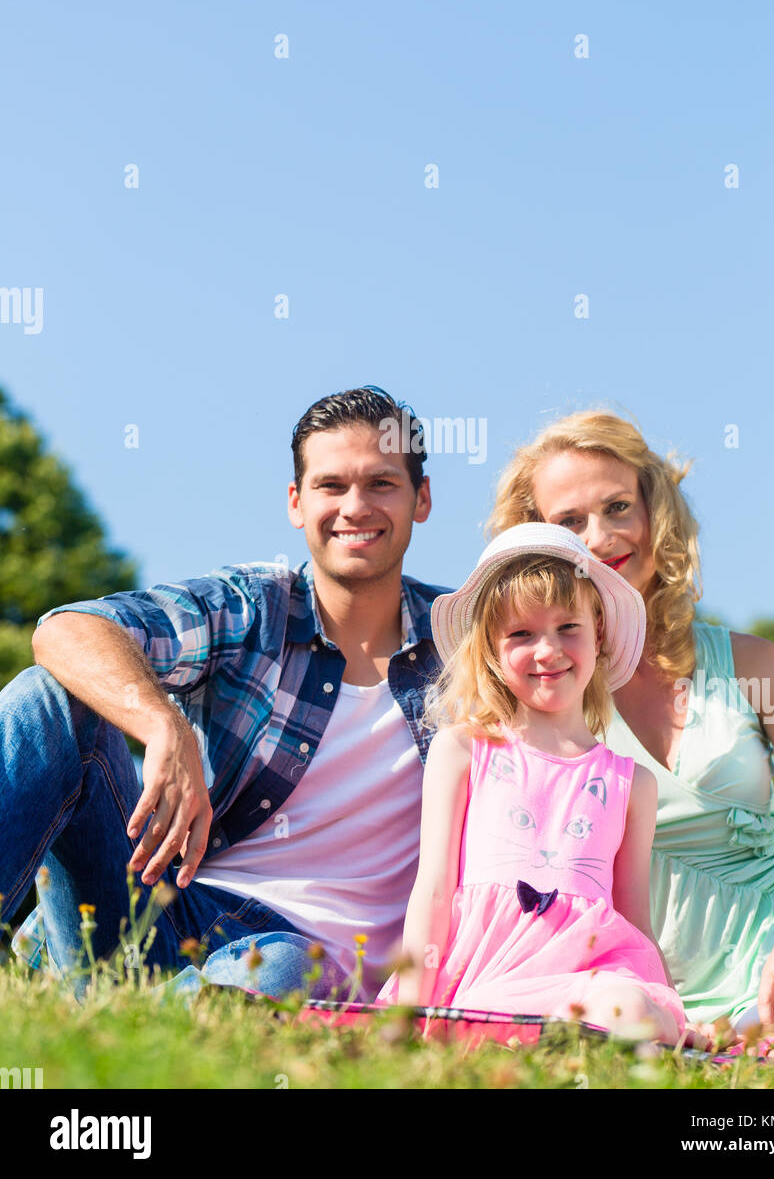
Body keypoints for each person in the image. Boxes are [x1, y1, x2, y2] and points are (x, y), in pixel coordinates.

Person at [2, 385, 448, 999]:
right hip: (163, 907)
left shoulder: (468, 645)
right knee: (50, 701)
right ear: (296, 502)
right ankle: (113, 997)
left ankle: (118, 1017)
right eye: (331, 485)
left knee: (286, 965)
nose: (355, 506)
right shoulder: (256, 606)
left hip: (296, 962)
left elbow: (588, 653)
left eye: (381, 484)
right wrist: (163, 723)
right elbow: (67, 629)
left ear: (421, 499)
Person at [488, 410, 774, 1057]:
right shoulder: (532, 702)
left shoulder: (750, 664)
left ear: (653, 513)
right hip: (683, 995)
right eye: (570, 521)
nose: (601, 536)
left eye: (617, 507)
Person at [377, 522, 690, 1045]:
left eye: (568, 627)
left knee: (625, 1007)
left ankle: (653, 1039)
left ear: (600, 635)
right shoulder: (463, 750)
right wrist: (411, 1008)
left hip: (591, 984)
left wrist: (665, 1005)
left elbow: (634, 920)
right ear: (493, 652)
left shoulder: (630, 784)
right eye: (522, 634)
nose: (547, 651)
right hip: (488, 983)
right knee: (486, 1029)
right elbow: (432, 889)